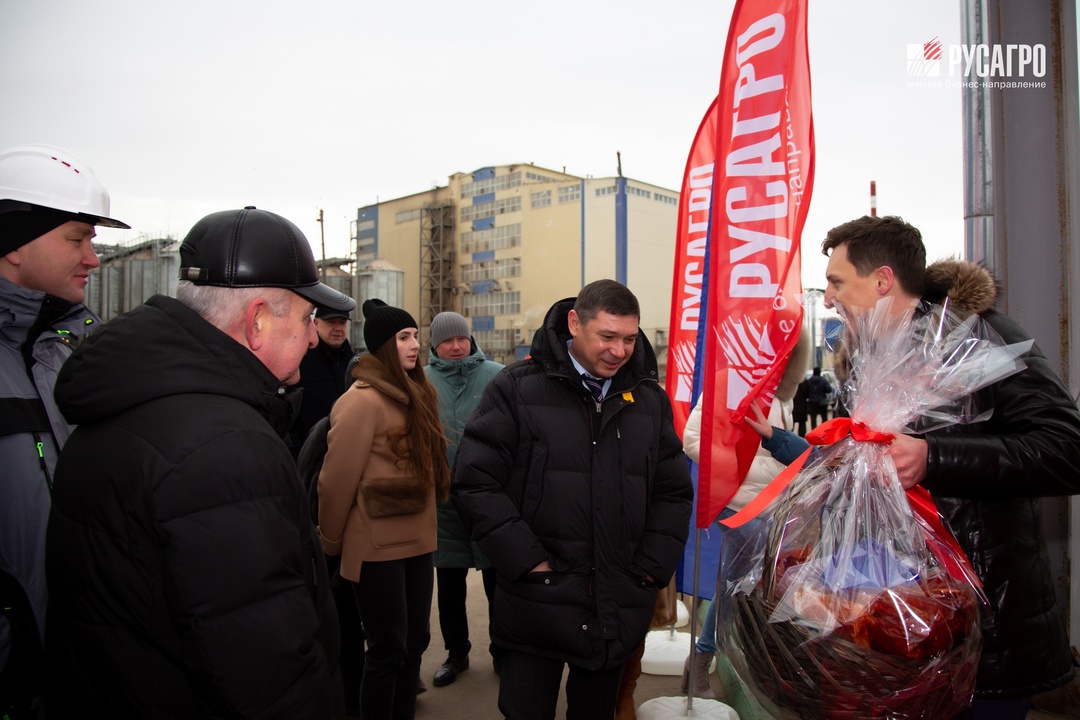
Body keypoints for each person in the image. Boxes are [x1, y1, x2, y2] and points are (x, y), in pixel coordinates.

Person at [44, 206, 352, 718]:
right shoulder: (226, 450)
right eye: (305, 318)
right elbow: (268, 673)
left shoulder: (128, 403)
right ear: (257, 321)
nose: (313, 336)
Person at [821, 214, 1080, 720]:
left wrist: (935, 457)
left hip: (985, 630)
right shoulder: (861, 362)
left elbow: (1067, 449)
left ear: (881, 281)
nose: (828, 299)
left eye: (836, 282)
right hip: (896, 631)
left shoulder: (978, 338)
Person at [452, 279, 694, 720]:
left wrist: (648, 571)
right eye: (606, 336)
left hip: (615, 605)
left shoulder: (649, 400)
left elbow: (672, 492)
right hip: (534, 605)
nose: (619, 351)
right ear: (574, 324)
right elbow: (474, 481)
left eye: (629, 339)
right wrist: (527, 563)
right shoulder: (516, 389)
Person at [0, 144, 128, 718]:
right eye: (77, 239)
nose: (93, 259)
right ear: (13, 243)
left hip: (88, 662)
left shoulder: (89, 349)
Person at [317, 299, 450, 720]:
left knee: (415, 645)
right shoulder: (361, 401)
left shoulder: (419, 392)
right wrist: (330, 545)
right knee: (388, 649)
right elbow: (335, 484)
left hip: (417, 541)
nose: (414, 346)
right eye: (403, 338)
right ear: (381, 347)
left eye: (415, 336)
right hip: (375, 548)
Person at [679, 326, 809, 703]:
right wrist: (756, 467)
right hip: (739, 507)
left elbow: (790, 445)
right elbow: (691, 440)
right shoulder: (727, 384)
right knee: (733, 589)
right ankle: (703, 659)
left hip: (776, 506)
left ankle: (712, 662)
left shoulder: (784, 388)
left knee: (750, 589)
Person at [423, 311, 504, 687]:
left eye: (462, 339)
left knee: (498, 582)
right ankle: (457, 653)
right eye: (447, 340)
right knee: (450, 585)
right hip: (442, 501)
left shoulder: (497, 375)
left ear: (471, 340)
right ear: (434, 344)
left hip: (490, 497)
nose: (456, 347)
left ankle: (503, 651)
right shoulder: (421, 381)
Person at [287, 305, 356, 456]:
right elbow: (286, 410)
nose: (338, 328)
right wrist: (299, 451)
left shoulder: (355, 363)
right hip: (308, 455)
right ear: (316, 323)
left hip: (346, 453)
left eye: (342, 322)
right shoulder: (301, 361)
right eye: (332, 322)